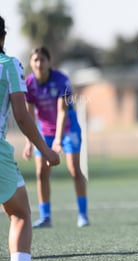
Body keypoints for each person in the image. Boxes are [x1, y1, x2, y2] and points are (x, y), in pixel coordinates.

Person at [0, 15, 60, 261]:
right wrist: (45, 149)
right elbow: (22, 116)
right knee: (21, 214)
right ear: (3, 36)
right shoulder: (9, 65)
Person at [22, 46, 89, 228]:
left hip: (68, 128)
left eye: (42, 60)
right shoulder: (28, 83)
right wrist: (28, 142)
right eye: (35, 60)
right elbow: (28, 116)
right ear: (31, 63)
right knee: (41, 172)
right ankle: (45, 217)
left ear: (48, 62)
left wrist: (58, 139)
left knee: (74, 169)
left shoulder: (62, 80)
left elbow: (62, 112)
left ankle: (83, 215)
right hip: (43, 132)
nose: (39, 64)